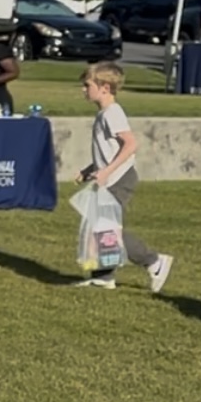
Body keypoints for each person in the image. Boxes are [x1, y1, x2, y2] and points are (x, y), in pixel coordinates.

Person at [76, 61, 174, 292]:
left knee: (109, 231)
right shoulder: (104, 114)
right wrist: (90, 169)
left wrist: (106, 172)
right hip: (107, 178)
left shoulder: (112, 113)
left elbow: (131, 144)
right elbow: (109, 150)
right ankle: (103, 276)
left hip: (119, 180)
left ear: (105, 88)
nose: (83, 90)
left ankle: (155, 262)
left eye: (86, 85)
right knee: (97, 228)